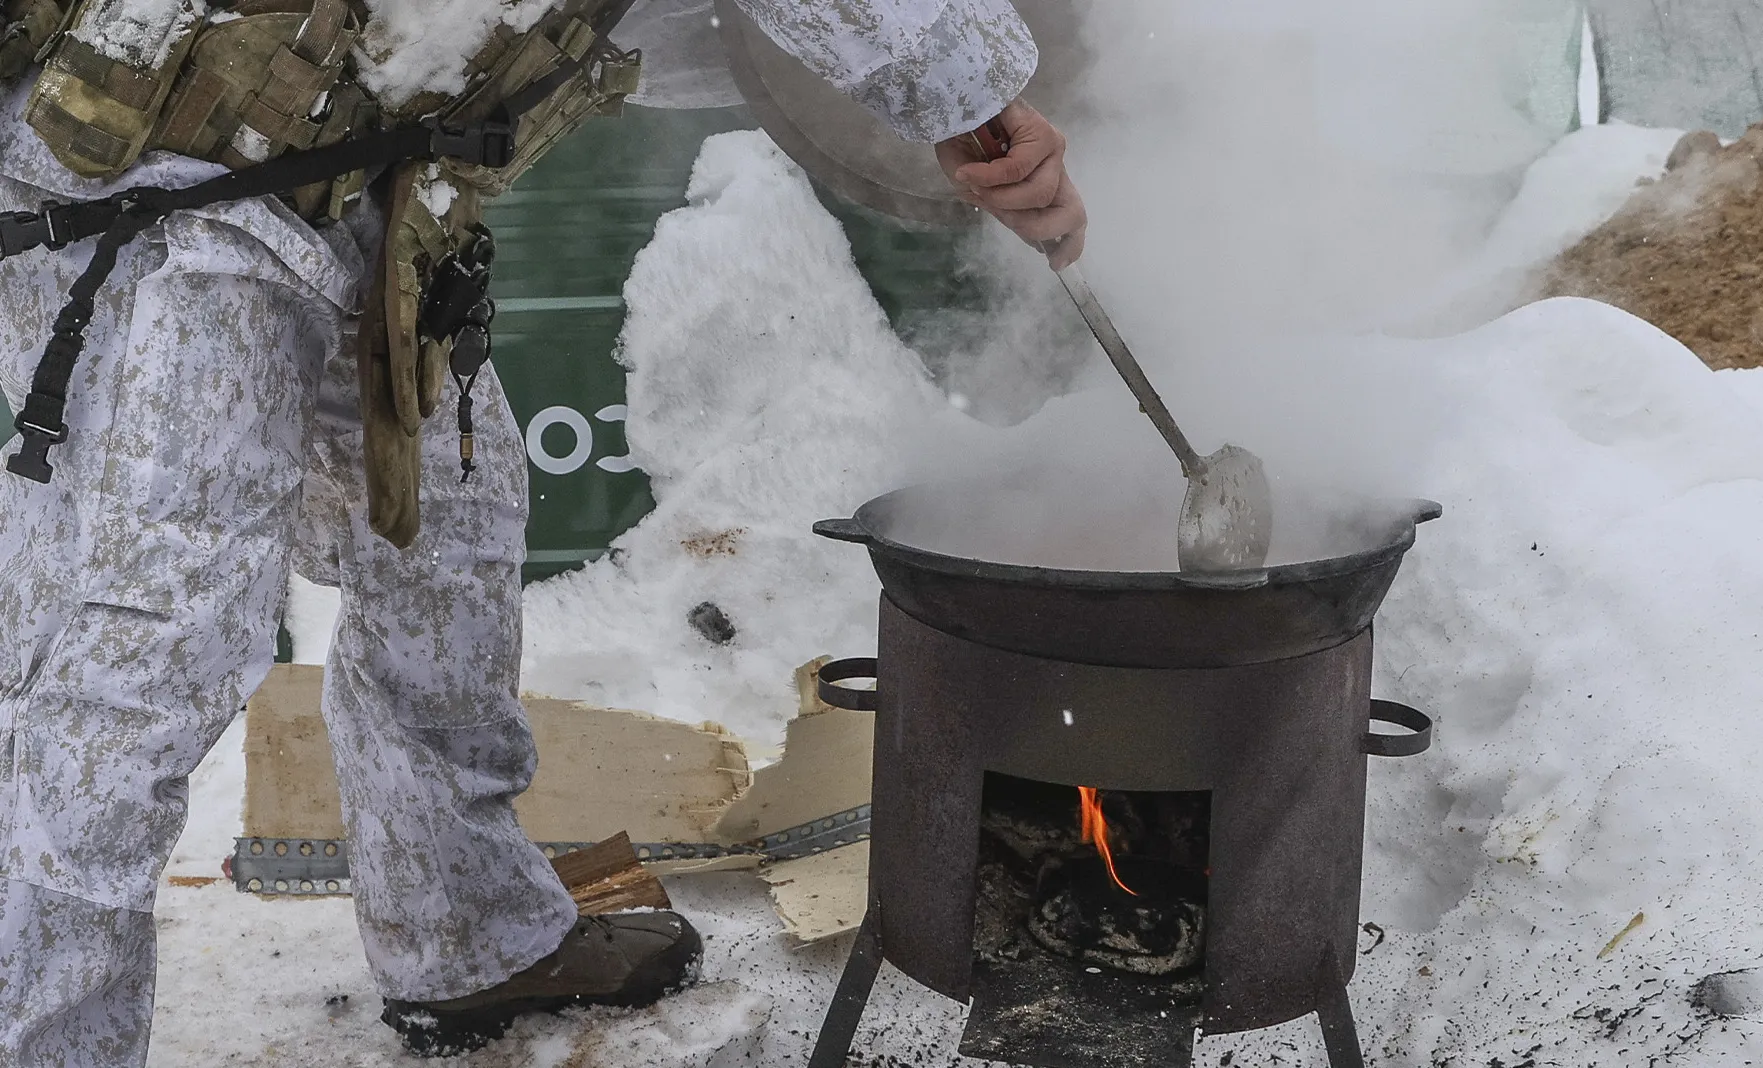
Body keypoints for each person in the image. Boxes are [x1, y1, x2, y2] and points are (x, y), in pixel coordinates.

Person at [0, 0, 1086, 1062]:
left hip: (342, 185)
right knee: (140, 658)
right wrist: (972, 101)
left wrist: (943, 108)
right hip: (164, 201)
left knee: (444, 557)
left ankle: (467, 939)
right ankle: (44, 1036)